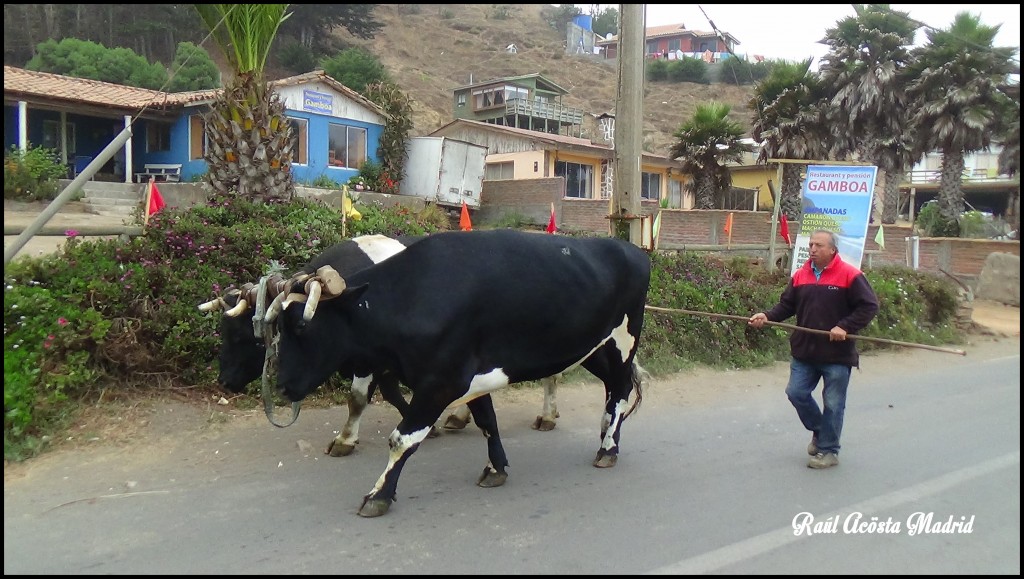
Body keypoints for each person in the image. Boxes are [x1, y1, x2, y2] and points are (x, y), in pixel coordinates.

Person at [748, 229, 879, 469]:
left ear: (833, 250)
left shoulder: (850, 275)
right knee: (796, 393)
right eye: (811, 245)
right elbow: (787, 306)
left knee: (833, 404)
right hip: (805, 351)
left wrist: (845, 326)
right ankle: (821, 431)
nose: (813, 249)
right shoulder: (801, 274)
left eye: (819, 245)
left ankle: (829, 451)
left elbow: (869, 306)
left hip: (836, 355)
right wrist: (766, 316)